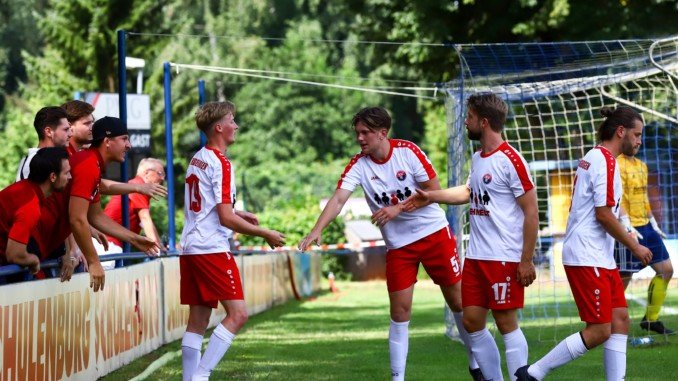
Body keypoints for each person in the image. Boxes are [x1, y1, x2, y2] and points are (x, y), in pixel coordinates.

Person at [299, 107, 476, 381]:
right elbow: (337, 200)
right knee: (399, 310)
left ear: (383, 133)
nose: (359, 138)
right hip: (399, 247)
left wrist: (397, 209)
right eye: (357, 132)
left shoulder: (409, 152)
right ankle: (397, 378)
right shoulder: (358, 165)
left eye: (365, 132)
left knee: (457, 301)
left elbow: (433, 192)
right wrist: (316, 230)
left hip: (434, 234)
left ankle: (476, 362)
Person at [405, 94, 538, 381]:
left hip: (503, 257)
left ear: (484, 122)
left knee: (506, 323)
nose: (465, 122)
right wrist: (431, 196)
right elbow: (468, 192)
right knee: (471, 321)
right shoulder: (478, 157)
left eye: (470, 117)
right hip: (476, 258)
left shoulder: (511, 160)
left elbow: (531, 212)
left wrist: (526, 259)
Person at [515, 106, 653, 381]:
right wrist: (634, 245)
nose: (639, 141)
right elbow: (603, 214)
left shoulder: (595, 156)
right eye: (637, 135)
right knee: (600, 330)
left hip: (598, 256)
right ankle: (532, 373)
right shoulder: (605, 162)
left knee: (620, 320)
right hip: (587, 256)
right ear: (621, 131)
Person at [180, 101, 285, 381]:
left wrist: (239, 212)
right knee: (238, 315)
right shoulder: (221, 163)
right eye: (232, 120)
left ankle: (190, 379)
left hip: (191, 247)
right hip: (211, 248)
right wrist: (266, 234)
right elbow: (225, 219)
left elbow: (209, 208)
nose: (236, 126)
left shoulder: (196, 158)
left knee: (198, 321)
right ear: (219, 127)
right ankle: (201, 376)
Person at [68, 116, 160, 292]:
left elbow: (96, 216)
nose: (129, 145)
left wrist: (134, 239)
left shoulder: (92, 163)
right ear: (107, 142)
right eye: (124, 139)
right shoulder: (87, 163)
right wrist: (94, 260)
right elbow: (77, 219)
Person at [616, 153, 673, 334]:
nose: (638, 141)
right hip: (627, 228)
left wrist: (654, 223)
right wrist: (626, 225)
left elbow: (644, 198)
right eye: (635, 135)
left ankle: (651, 319)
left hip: (646, 226)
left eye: (640, 136)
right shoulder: (616, 164)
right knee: (623, 279)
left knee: (666, 270)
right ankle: (609, 325)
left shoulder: (642, 165)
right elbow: (617, 198)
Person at [1, 147, 71, 282]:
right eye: (67, 173)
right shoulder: (31, 206)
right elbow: (14, 254)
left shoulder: (23, 188)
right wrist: (33, 260)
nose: (70, 177)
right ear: (52, 177)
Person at [95, 158, 166, 268]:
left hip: (109, 243)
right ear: (146, 173)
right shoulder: (138, 186)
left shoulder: (138, 187)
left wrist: (160, 246)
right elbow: (145, 219)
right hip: (108, 244)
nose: (162, 178)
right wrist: (158, 251)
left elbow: (147, 223)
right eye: (160, 173)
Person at [16, 106, 73, 181]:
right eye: (65, 129)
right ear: (49, 132)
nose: (70, 134)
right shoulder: (33, 163)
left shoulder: (46, 159)